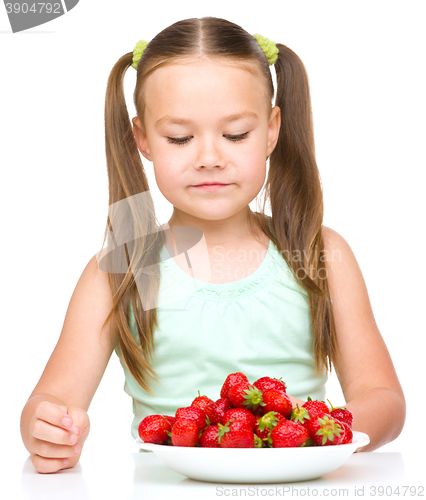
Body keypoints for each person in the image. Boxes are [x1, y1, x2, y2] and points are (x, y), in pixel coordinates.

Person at [20, 16, 405, 473]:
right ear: (142, 138)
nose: (209, 158)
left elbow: (384, 399)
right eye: (180, 138)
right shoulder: (123, 265)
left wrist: (317, 431)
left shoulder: (319, 252)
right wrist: (48, 428)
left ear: (271, 130)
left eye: (236, 134)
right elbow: (52, 399)